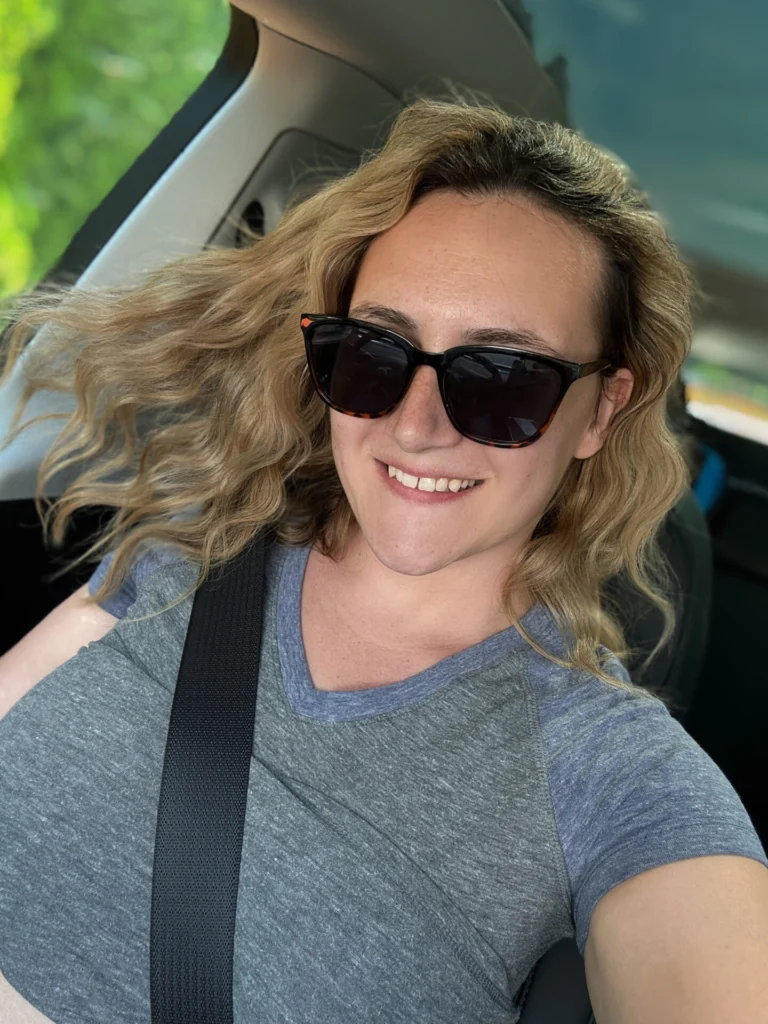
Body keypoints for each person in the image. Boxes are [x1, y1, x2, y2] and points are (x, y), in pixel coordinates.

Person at [0, 97, 766, 1024]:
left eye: (502, 379)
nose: (415, 425)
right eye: (375, 353)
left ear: (601, 410)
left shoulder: (612, 773)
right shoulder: (200, 541)